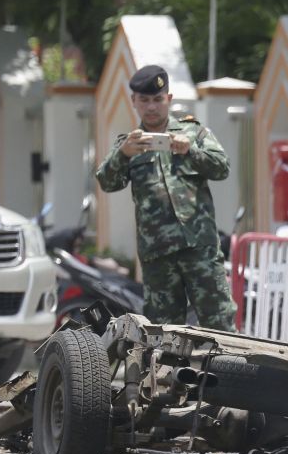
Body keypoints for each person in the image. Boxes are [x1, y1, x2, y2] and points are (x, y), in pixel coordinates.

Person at [95, 64, 236, 330]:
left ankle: (226, 373)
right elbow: (106, 182)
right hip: (158, 256)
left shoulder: (193, 132)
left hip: (199, 249)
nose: (151, 107)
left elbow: (222, 168)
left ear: (168, 99)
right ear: (134, 101)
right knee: (163, 334)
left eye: (158, 100)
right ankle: (170, 374)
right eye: (145, 100)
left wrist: (191, 150)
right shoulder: (128, 143)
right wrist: (123, 155)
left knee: (220, 324)